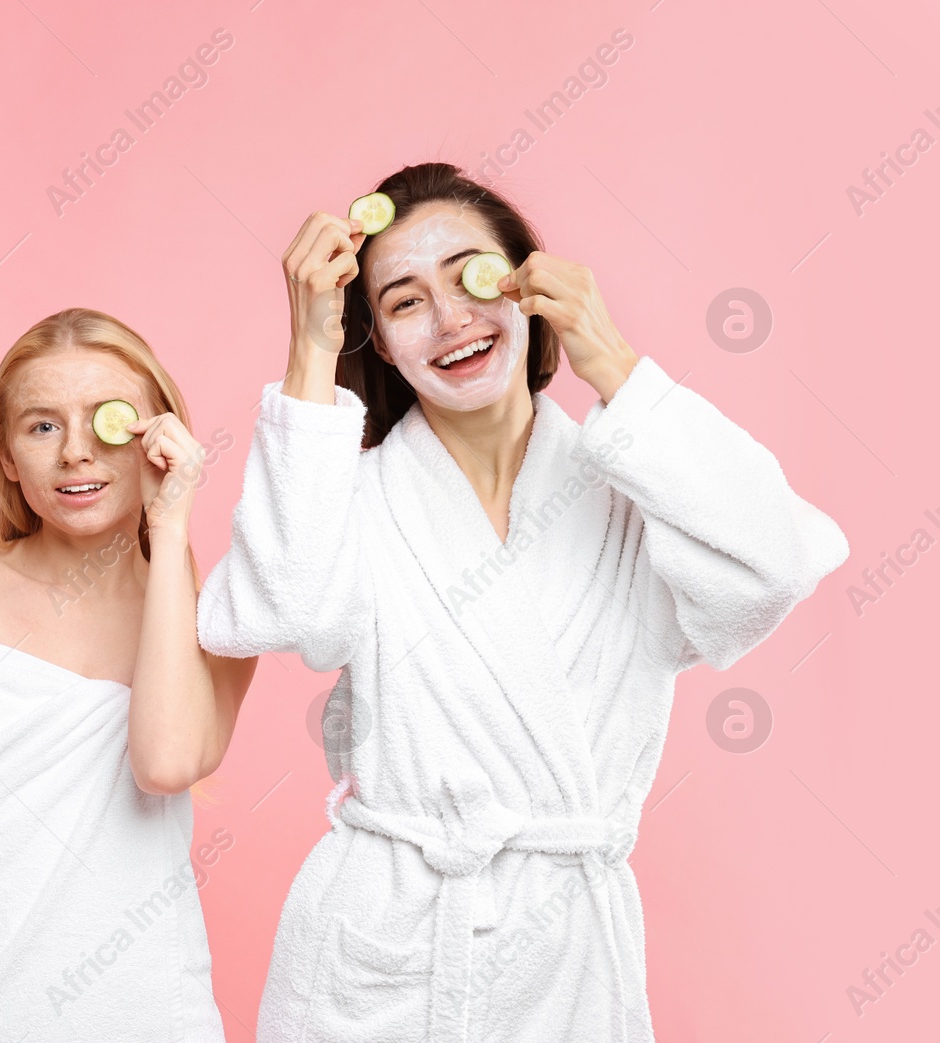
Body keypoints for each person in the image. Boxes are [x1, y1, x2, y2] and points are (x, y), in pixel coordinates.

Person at [196, 162, 849, 1042]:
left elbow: (771, 565)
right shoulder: (354, 497)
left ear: (527, 286)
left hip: (566, 966)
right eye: (403, 301)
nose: (451, 319)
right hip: (378, 959)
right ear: (380, 343)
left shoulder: (634, 491)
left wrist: (613, 359)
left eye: (468, 275)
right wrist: (312, 350)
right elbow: (282, 610)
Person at [0, 307, 253, 1041]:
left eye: (109, 421)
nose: (76, 454)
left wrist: (172, 525)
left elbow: (164, 762)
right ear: (6, 457)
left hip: (144, 1008)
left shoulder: (215, 620)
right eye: (43, 426)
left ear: (161, 439)